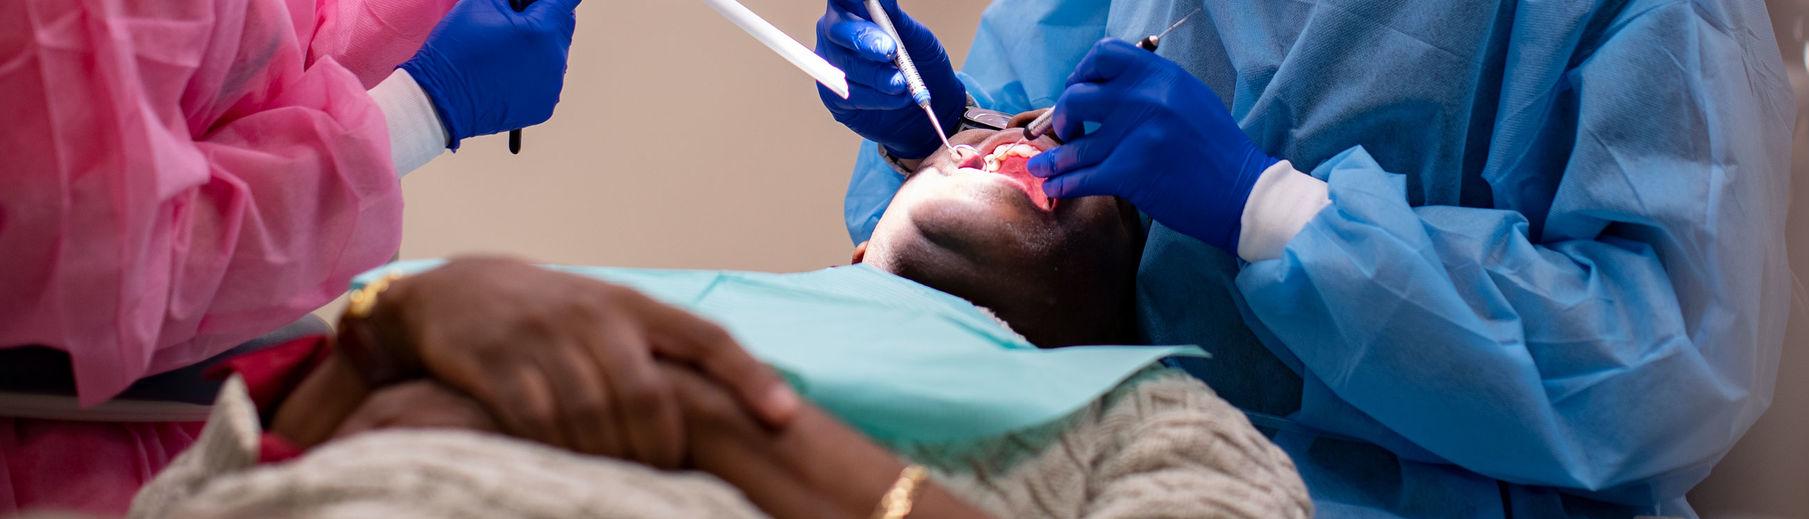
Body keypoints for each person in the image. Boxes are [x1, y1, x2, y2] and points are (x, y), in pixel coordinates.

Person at [814, 0, 1794, 517]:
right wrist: (940, 130)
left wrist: (1278, 214)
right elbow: (1030, 171)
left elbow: (1672, 369)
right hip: (1114, 461)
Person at [124, 122, 1312, 518]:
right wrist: (395, 321)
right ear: (860, 242)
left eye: (1077, 168)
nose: (1028, 128)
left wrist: (726, 428)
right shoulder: (643, 301)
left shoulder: (1158, 418)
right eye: (982, 130)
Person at [0, 0, 582, 513]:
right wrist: (422, 107)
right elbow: (104, 276)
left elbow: (242, 58)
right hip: (65, 468)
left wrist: (431, 18)